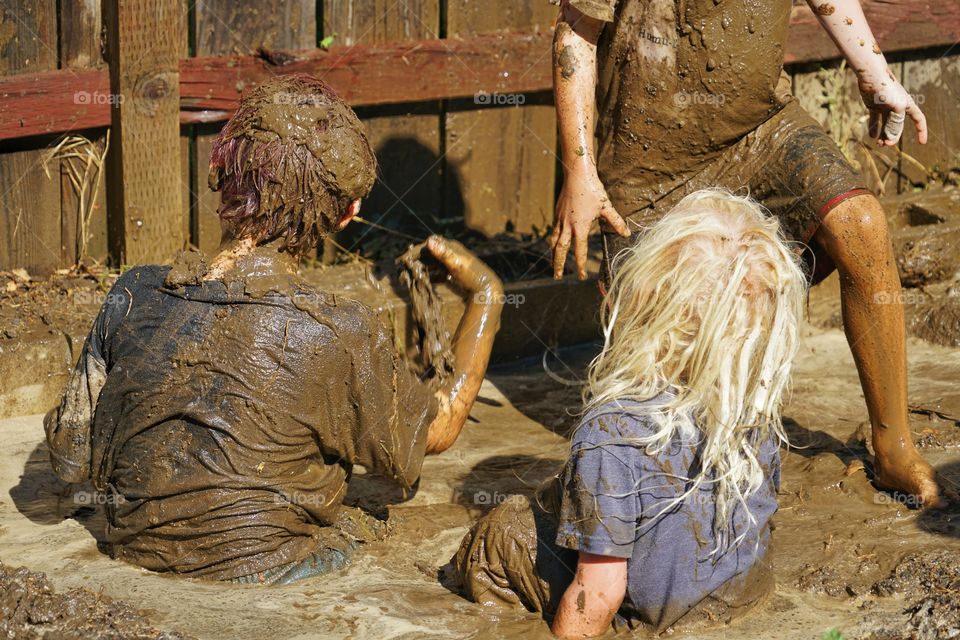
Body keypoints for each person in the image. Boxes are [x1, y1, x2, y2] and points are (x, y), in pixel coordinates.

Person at [44, 74, 504, 584]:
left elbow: (68, 458)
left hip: (130, 556)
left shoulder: (131, 293)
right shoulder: (342, 331)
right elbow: (435, 431)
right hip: (279, 574)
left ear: (220, 176)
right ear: (347, 213)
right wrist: (487, 298)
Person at [548, 0, 945, 506]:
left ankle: (894, 447)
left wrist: (875, 74)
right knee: (659, 351)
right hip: (647, 152)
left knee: (860, 223)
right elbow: (574, 35)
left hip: (758, 125)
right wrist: (580, 173)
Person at [455, 190, 806, 636]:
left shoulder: (613, 431)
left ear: (644, 305)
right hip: (741, 597)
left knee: (505, 533)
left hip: (648, 620)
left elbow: (600, 591)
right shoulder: (754, 404)